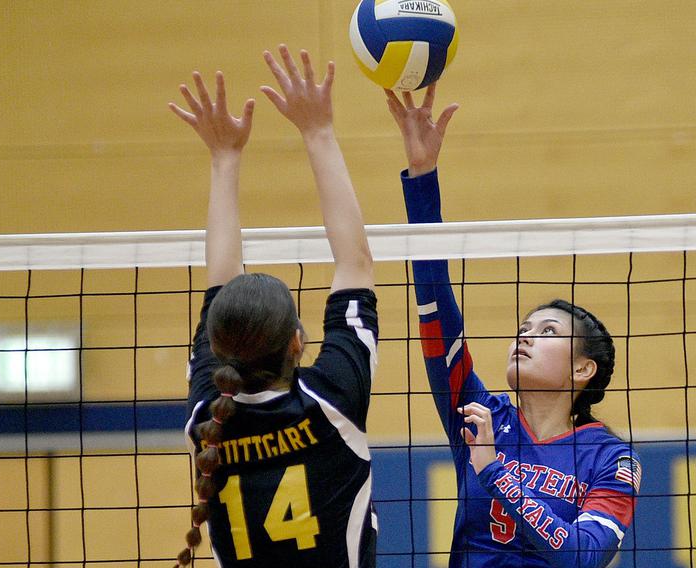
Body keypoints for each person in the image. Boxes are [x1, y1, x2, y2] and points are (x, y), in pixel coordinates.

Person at [384, 84, 640, 567]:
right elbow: (436, 307)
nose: (525, 336)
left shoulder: (610, 458)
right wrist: (422, 176)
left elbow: (584, 557)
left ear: (583, 370)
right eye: (524, 327)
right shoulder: (480, 416)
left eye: (547, 332)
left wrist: (495, 472)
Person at [169, 45, 377, 568]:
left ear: (215, 348)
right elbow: (353, 262)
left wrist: (224, 159)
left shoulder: (207, 422)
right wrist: (318, 132)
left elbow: (353, 266)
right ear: (297, 342)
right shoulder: (332, 404)